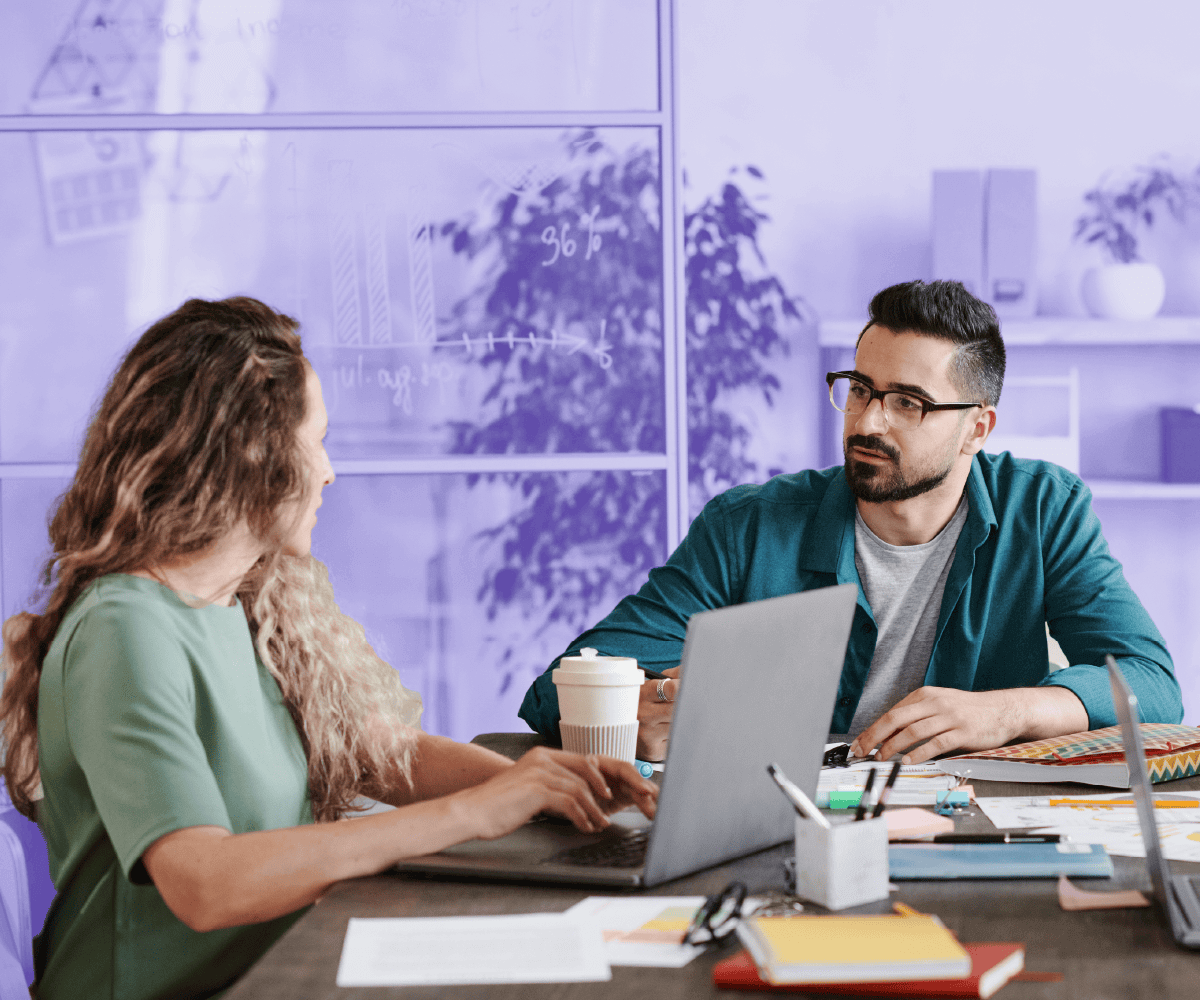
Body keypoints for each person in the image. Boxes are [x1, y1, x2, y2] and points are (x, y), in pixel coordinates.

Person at [0, 297, 657, 1000]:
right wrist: (470, 814)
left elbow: (373, 749)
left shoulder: (252, 599)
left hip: (280, 968)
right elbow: (203, 883)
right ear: (251, 455)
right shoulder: (126, 628)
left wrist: (534, 782)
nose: (329, 471)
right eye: (316, 440)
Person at [519, 280, 1183, 763]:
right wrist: (650, 698)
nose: (868, 421)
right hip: (777, 821)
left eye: (907, 402)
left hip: (967, 823)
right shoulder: (750, 524)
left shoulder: (1042, 508)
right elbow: (559, 685)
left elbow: (1151, 686)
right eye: (861, 389)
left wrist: (1004, 710)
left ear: (976, 428)